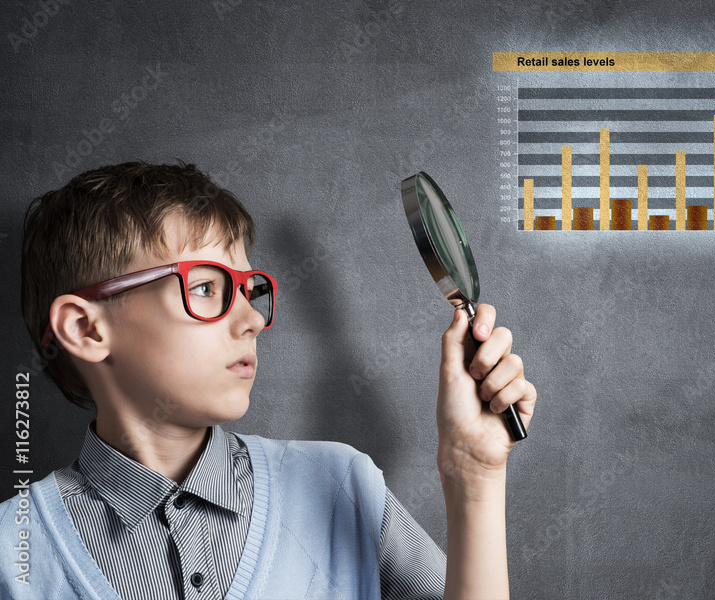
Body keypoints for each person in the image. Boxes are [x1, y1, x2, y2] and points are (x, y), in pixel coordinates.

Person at [0, 161, 536, 599]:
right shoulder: (13, 551)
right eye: (207, 288)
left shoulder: (341, 485)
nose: (253, 319)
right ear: (86, 328)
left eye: (249, 290)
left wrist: (474, 477)